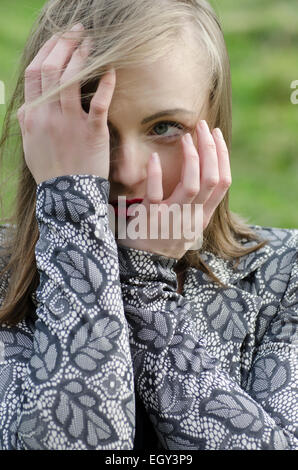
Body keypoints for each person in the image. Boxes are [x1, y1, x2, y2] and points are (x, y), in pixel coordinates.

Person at [0, 0, 297, 450]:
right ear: (39, 129)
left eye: (164, 127)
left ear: (216, 123)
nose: (128, 172)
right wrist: (71, 209)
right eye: (88, 124)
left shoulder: (285, 275)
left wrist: (145, 284)